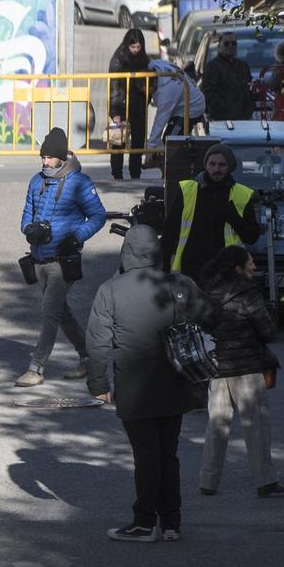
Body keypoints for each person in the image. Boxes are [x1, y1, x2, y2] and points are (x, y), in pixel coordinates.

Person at [86, 223, 214, 542]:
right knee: (168, 453)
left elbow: (98, 343)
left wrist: (99, 383)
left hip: (134, 385)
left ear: (127, 250)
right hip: (176, 380)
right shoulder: (178, 283)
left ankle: (144, 521)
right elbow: (210, 317)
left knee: (146, 456)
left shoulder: (111, 289)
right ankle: (171, 522)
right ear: (157, 252)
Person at [197, 246, 284, 498]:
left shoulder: (210, 292)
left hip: (217, 369)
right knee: (256, 426)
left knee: (217, 425)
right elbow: (268, 331)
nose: (254, 267)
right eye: (250, 263)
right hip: (248, 368)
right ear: (238, 267)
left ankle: (208, 481)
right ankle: (265, 480)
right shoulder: (248, 294)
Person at [16, 129, 106, 387]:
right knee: (60, 312)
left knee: (49, 313)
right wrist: (28, 229)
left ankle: (36, 368)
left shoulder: (80, 183)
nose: (44, 162)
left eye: (49, 157)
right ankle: (88, 359)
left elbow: (98, 216)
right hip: (39, 258)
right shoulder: (36, 181)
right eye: (42, 157)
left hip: (62, 260)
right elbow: (27, 212)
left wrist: (76, 237)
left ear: (62, 157)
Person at [163, 142, 263, 282]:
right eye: (212, 164)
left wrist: (233, 216)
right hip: (191, 268)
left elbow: (252, 237)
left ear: (230, 167)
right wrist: (163, 266)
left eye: (222, 165)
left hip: (225, 271)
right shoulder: (187, 189)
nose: (216, 169)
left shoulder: (243, 194)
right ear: (206, 165)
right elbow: (170, 231)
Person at [107, 27, 154, 182]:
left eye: (138, 47)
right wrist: (115, 113)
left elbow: (149, 83)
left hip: (138, 104)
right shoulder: (118, 60)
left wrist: (145, 100)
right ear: (127, 45)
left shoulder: (144, 59)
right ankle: (117, 173)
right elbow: (114, 88)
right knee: (118, 141)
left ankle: (135, 173)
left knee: (138, 140)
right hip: (120, 104)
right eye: (132, 47)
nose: (135, 50)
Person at [147, 57, 207, 153]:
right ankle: (165, 162)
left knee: (171, 142)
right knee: (168, 141)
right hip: (182, 100)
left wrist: (151, 146)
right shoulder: (155, 65)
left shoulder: (167, 91)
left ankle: (174, 165)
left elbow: (160, 120)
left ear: (153, 84)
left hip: (191, 108)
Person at [201, 33, 254, 121]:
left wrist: (249, 108)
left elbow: (249, 88)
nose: (230, 46)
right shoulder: (212, 66)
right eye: (226, 43)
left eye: (234, 43)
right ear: (219, 46)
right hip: (221, 120)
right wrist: (225, 107)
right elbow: (207, 92)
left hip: (243, 119)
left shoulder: (243, 65)